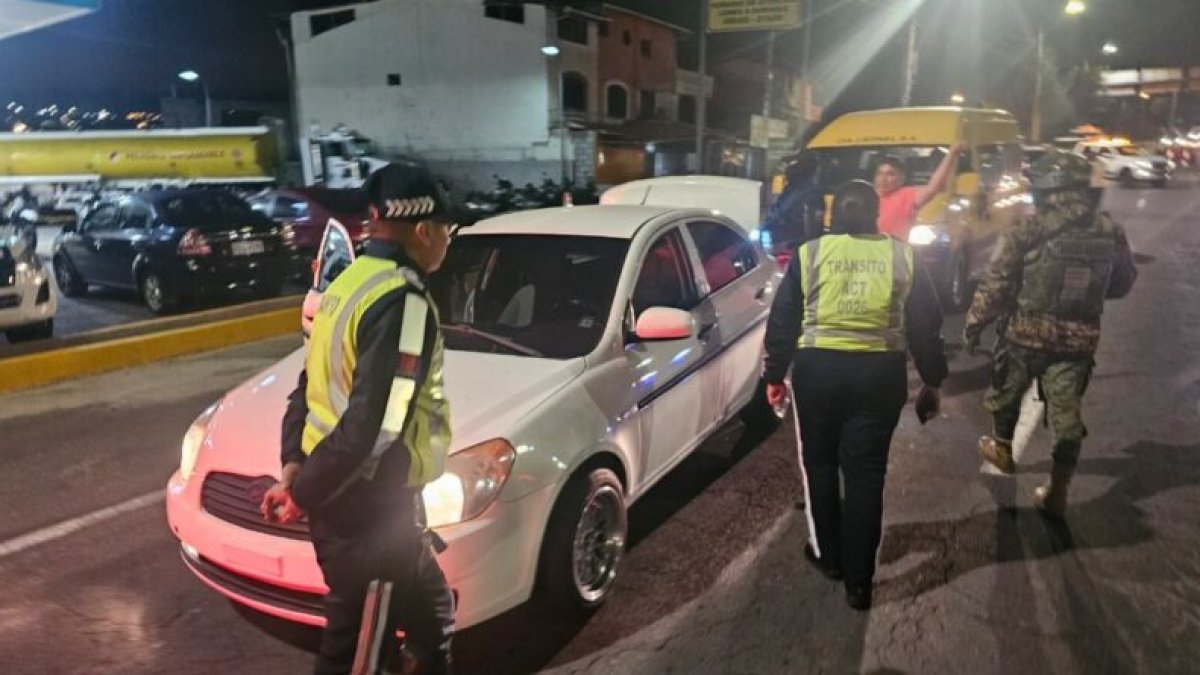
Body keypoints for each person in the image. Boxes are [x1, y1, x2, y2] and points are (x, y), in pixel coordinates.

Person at [261, 162, 459, 674]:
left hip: (368, 512)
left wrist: (292, 468)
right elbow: (375, 430)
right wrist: (301, 494)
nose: (447, 240)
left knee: (433, 616)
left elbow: (306, 389)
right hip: (368, 519)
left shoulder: (348, 284)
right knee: (357, 657)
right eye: (447, 229)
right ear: (423, 230)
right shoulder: (403, 300)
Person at [763, 179, 948, 610]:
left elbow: (784, 319)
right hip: (878, 378)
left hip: (817, 376)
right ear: (873, 215)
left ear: (833, 215)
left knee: (821, 466)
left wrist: (775, 374)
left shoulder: (810, 254)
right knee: (867, 476)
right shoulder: (902, 255)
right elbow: (926, 325)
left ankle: (830, 559)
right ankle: (859, 585)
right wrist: (932, 379)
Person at [964, 149, 1137, 518]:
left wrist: (974, 324)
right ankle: (1058, 492)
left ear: (1043, 189)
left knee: (1005, 395)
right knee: (1067, 416)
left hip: (1023, 337)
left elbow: (996, 285)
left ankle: (1003, 448)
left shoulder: (1026, 229)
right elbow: (1123, 283)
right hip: (1077, 342)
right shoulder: (1109, 230)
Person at [875, 143, 965, 241]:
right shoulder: (865, 196)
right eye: (880, 174)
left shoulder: (907, 196)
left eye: (890, 174)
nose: (883, 179)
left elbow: (932, 188)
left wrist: (951, 154)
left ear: (902, 178)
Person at [762, 152, 826, 253]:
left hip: (795, 250)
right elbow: (776, 213)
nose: (787, 169)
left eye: (793, 164)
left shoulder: (812, 195)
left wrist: (789, 245)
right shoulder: (790, 190)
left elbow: (812, 232)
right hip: (778, 245)